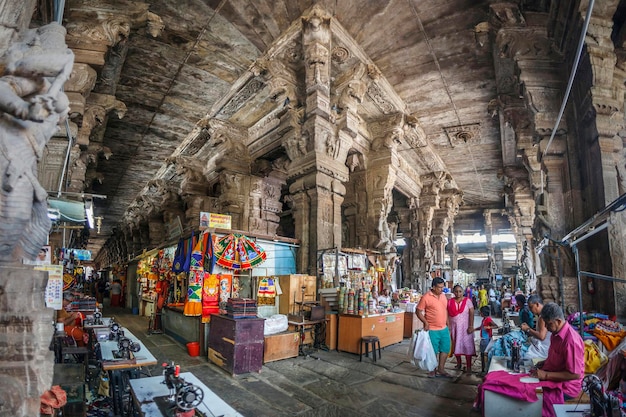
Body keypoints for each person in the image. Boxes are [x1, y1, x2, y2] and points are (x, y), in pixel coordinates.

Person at [529, 302, 584, 402]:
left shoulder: (571, 341)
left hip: (567, 387)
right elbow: (557, 358)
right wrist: (545, 363)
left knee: (533, 398)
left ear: (558, 321)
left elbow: (575, 374)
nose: (545, 327)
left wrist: (546, 375)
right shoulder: (555, 334)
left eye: (548, 323)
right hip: (554, 377)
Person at [416, 277, 452, 378]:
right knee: (432, 351)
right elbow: (418, 311)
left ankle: (441, 368)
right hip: (432, 329)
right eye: (439, 287)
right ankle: (432, 369)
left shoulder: (443, 296)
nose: (441, 290)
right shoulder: (426, 297)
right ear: (433, 287)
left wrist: (448, 322)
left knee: (445, 348)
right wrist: (425, 323)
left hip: (443, 328)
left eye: (442, 287)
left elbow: (445, 310)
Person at [447, 284, 475, 374]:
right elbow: (446, 313)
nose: (458, 293)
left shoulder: (468, 301)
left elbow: (471, 314)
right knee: (456, 345)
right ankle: (458, 363)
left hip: (466, 328)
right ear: (453, 292)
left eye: (460, 291)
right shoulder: (450, 301)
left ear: (463, 292)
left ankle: (469, 366)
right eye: (456, 291)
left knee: (467, 346)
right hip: (454, 328)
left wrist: (471, 326)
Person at [520, 294, 551, 359]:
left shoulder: (542, 317)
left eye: (531, 307)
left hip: (544, 349)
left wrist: (528, 329)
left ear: (537, 304)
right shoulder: (542, 315)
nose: (531, 310)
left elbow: (541, 336)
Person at [474, 305, 499, 374]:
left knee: (484, 354)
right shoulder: (484, 319)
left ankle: (484, 370)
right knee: (482, 354)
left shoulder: (488, 319)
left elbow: (496, 326)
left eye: (481, 312)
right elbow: (481, 327)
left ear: (483, 313)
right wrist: (474, 329)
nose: (480, 313)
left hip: (486, 339)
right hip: (483, 339)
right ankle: (483, 369)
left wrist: (489, 327)